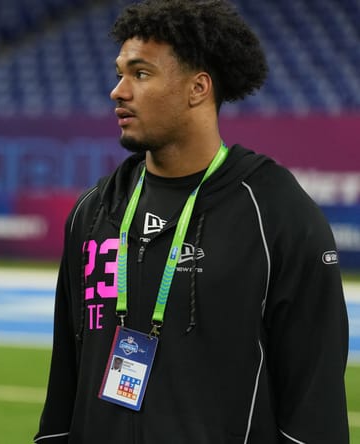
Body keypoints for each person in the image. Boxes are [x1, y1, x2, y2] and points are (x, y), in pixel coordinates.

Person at [34, 1, 349, 443]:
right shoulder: (95, 212)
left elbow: (315, 405)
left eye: (140, 74)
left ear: (197, 88)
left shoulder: (276, 213)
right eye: (119, 73)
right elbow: (66, 377)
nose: (118, 91)